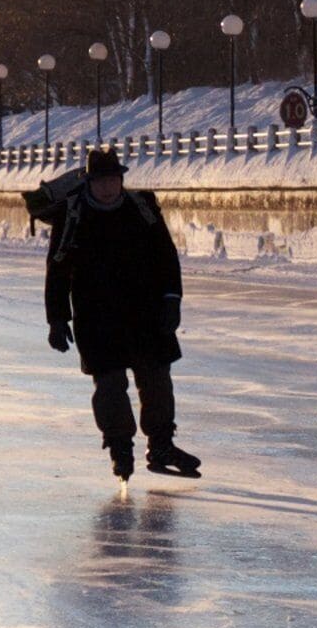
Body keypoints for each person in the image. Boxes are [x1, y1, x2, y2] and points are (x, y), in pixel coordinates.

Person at [41, 148, 200, 481]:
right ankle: (120, 449)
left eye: (114, 179)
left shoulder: (142, 208)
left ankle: (161, 445)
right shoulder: (73, 216)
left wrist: (172, 299)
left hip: (146, 313)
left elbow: (166, 257)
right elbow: (57, 270)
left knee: (157, 380)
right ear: (89, 182)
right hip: (97, 318)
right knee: (110, 386)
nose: (109, 187)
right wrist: (57, 319)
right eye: (102, 181)